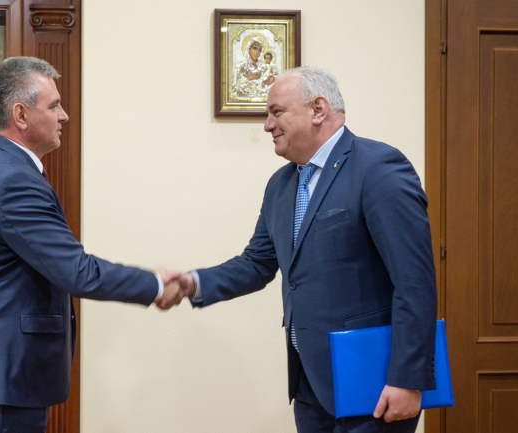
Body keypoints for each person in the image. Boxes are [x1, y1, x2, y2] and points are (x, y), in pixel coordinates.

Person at [175, 66, 437, 432]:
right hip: (310, 385)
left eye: (276, 112)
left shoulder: (378, 167)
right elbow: (256, 263)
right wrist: (193, 282)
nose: (267, 125)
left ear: (318, 109)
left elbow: (414, 282)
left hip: (373, 383)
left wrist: (408, 379)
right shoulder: (280, 185)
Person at [0, 56, 183, 433]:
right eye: (54, 105)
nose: (65, 116)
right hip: (5, 376)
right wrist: (154, 284)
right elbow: (77, 271)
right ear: (21, 115)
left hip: (4, 374)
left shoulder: (0, 167)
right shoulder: (13, 181)